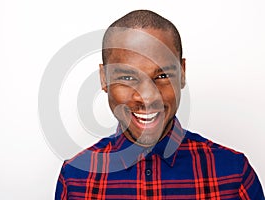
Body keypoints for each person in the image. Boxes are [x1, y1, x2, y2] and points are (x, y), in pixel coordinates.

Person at [55, 10, 264, 199]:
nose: (147, 97)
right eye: (127, 77)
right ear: (104, 79)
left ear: (182, 73)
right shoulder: (75, 179)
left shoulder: (234, 174)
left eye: (162, 75)